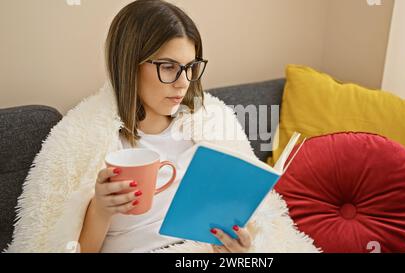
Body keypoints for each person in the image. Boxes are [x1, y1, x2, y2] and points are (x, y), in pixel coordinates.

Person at [6, 0, 319, 253]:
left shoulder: (212, 122)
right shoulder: (86, 141)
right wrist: (100, 209)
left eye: (190, 67)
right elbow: (60, 246)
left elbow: (255, 226)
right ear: (130, 64)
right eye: (168, 67)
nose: (183, 83)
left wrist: (237, 250)